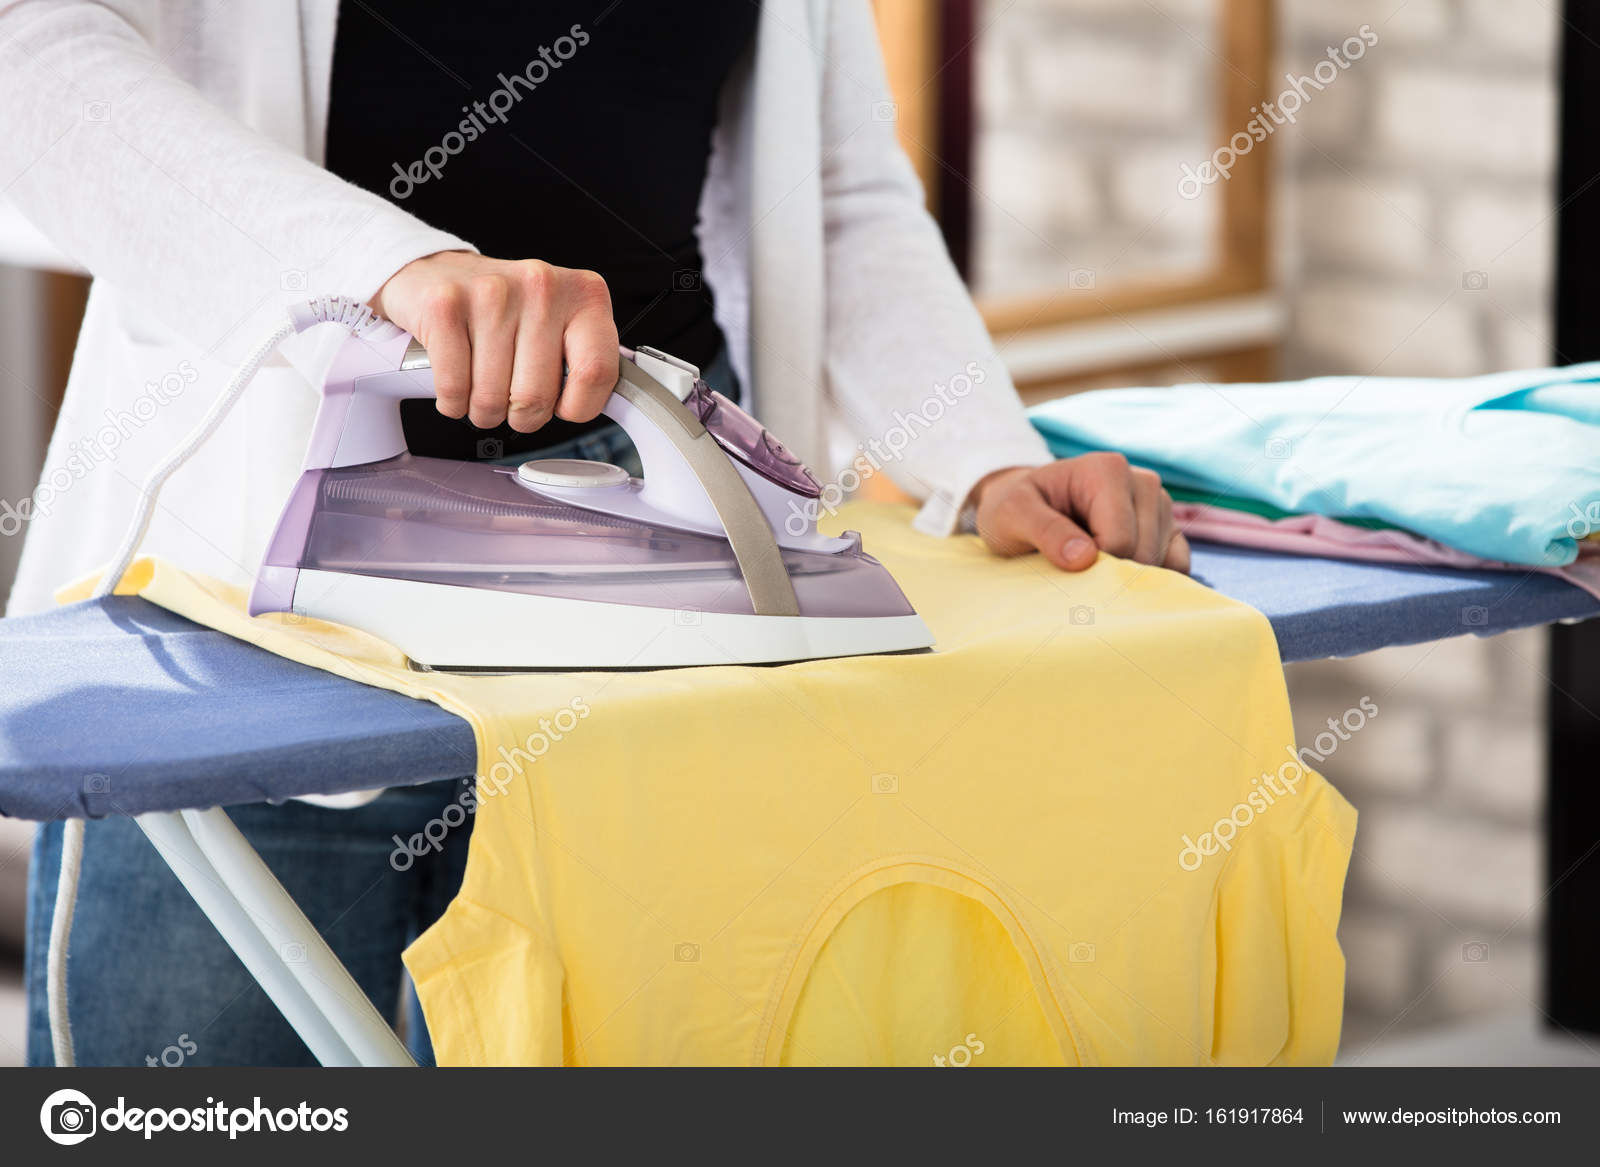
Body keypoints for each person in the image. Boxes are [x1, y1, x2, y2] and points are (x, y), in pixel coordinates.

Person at [2, 1, 1190, 1065]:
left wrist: (983, 458)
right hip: (259, 536)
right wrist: (387, 268)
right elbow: (30, 54)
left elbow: (837, 192)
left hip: (660, 517)